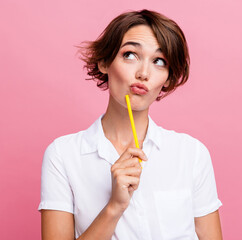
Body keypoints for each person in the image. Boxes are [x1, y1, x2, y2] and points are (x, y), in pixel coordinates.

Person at [38, 9, 223, 240]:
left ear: (167, 77)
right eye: (130, 55)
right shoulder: (64, 155)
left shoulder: (192, 154)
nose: (144, 73)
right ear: (105, 62)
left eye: (159, 61)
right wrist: (114, 207)